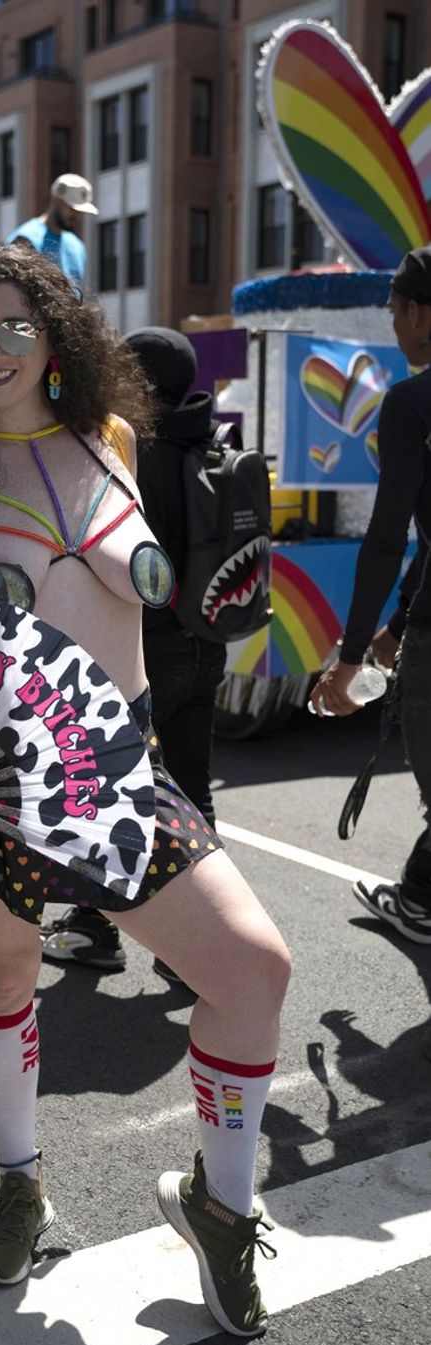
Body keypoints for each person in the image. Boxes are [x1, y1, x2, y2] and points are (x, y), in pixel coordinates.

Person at [0, 244, 290, 1337]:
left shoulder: (110, 440)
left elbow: (137, 596)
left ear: (55, 336)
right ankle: (18, 1181)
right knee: (3, 976)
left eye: (15, 327)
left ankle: (222, 1206)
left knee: (248, 967)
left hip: (118, 771)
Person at [40, 327, 225, 976]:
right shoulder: (212, 443)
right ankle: (197, 944)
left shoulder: (127, 451)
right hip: (208, 645)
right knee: (193, 789)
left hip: (147, 652)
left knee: (112, 793)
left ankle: (95, 929)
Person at [310, 244, 431, 946]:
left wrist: (352, 656)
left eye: (395, 312)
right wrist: (398, 624)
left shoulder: (413, 402)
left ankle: (417, 899)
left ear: (419, 311)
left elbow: (390, 539)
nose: (393, 327)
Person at [5, 174, 98, 291]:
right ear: (56, 201)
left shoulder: (77, 246)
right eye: (72, 209)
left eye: (81, 211)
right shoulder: (26, 239)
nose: (77, 216)